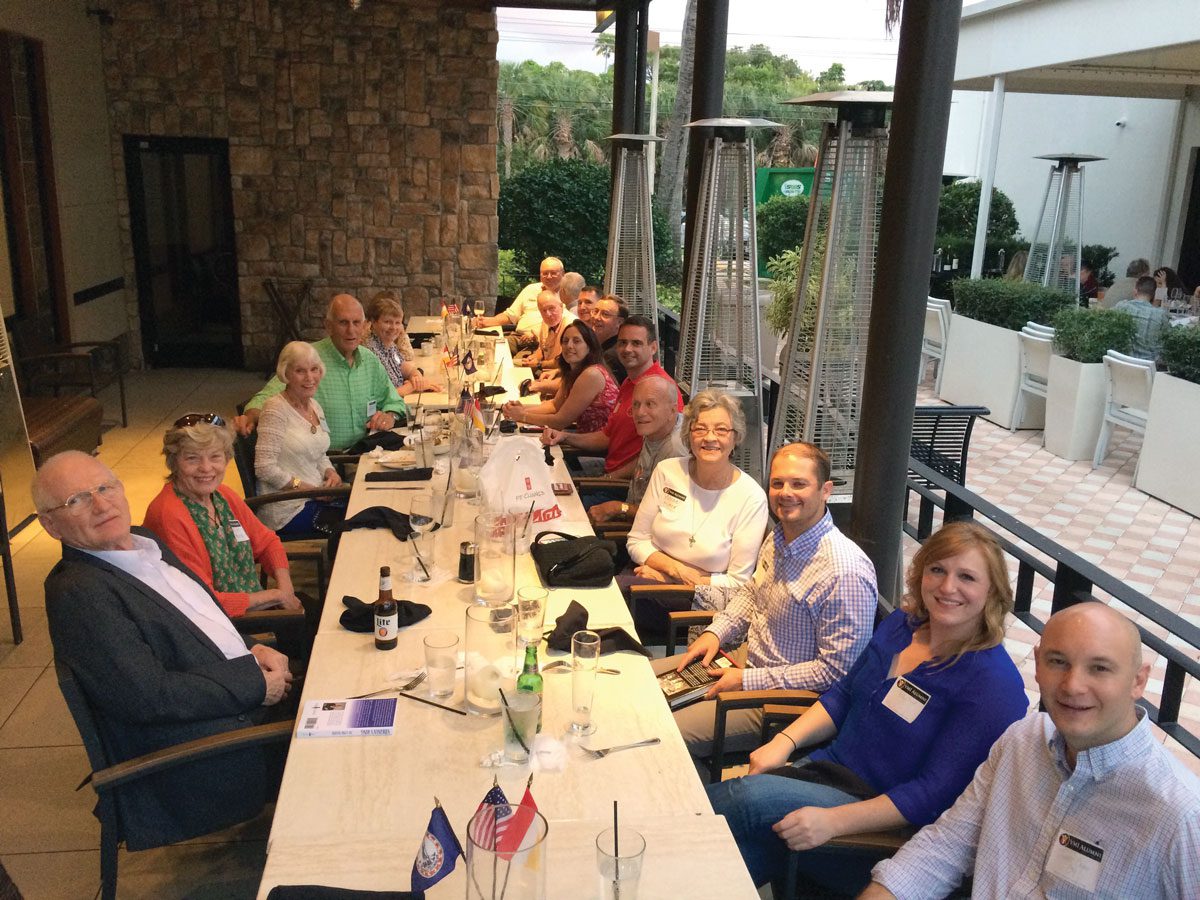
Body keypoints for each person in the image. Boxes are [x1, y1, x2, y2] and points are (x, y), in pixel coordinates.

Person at [708, 520, 1028, 891]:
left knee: (746, 797)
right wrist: (785, 742)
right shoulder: (902, 626)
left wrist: (834, 822)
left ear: (993, 592)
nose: (947, 586)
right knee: (734, 854)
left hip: (880, 822)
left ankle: (651, 825)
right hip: (825, 770)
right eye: (937, 569)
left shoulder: (992, 684)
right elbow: (843, 694)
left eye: (967, 577)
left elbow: (930, 796)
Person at [37, 451, 292, 850]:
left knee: (367, 681)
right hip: (204, 754)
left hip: (235, 697)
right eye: (77, 500)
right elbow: (148, 697)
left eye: (104, 488)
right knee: (360, 735)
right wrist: (254, 683)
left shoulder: (146, 541)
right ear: (50, 525)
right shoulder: (80, 593)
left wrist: (253, 649)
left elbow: (200, 618)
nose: (101, 504)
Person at [864, 602, 1200, 900]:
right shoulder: (1022, 741)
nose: (1072, 685)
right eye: (1058, 661)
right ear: (1037, 664)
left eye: (1099, 668)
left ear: (1138, 681)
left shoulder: (1180, 816)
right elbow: (948, 845)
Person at [650, 442, 877, 765]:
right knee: (640, 685)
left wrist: (746, 681)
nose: (786, 493)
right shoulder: (781, 535)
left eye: (799, 484)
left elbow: (837, 674)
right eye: (777, 483)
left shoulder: (844, 571)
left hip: (783, 704)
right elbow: (751, 593)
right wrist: (716, 633)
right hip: (743, 663)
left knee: (660, 732)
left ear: (825, 490)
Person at [624, 388, 770, 636]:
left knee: (613, 598)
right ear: (688, 435)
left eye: (721, 430)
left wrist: (671, 580)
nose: (710, 437)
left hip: (696, 603)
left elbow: (738, 582)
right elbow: (637, 540)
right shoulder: (667, 471)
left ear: (735, 438)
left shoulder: (751, 497)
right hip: (646, 576)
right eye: (700, 429)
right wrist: (676, 570)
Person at [143, 414, 301, 618]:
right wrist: (274, 596)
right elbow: (202, 599)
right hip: (219, 626)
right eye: (192, 458)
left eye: (215, 456)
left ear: (226, 458)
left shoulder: (222, 496)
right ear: (174, 462)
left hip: (255, 608)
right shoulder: (168, 514)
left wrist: (285, 589)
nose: (206, 468)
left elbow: (267, 542)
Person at [234, 294, 406, 450]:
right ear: (328, 326)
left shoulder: (369, 360)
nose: (351, 331)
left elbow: (395, 401)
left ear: (364, 326)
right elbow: (266, 397)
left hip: (366, 451)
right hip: (323, 461)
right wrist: (250, 416)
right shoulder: (308, 358)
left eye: (356, 323)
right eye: (343, 323)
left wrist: (389, 415)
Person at [542, 315, 683, 483]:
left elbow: (654, 455)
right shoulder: (629, 382)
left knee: (550, 487)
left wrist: (606, 479)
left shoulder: (663, 389)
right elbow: (606, 437)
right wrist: (564, 436)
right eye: (622, 343)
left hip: (621, 485)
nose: (627, 349)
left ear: (653, 348)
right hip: (607, 468)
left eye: (636, 343)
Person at [253, 341, 345, 533]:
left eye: (314, 369)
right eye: (300, 371)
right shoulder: (275, 409)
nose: (310, 377)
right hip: (286, 509)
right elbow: (264, 468)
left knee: (366, 506)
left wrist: (331, 473)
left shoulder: (315, 406)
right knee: (354, 524)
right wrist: (308, 489)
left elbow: (320, 454)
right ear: (286, 374)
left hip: (317, 496)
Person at [586, 375, 687, 525]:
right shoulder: (656, 428)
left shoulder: (675, 451)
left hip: (644, 533)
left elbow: (666, 516)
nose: (640, 412)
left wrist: (618, 508)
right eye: (636, 404)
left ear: (672, 410)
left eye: (650, 404)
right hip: (631, 511)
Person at [501, 319, 618, 433]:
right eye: (565, 341)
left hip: (596, 448)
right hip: (582, 437)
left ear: (590, 346)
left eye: (576, 341)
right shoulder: (573, 371)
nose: (569, 346)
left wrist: (522, 416)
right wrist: (521, 409)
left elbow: (560, 421)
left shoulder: (592, 374)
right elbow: (554, 406)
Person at [473, 256, 564, 350]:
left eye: (553, 273)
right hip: (517, 337)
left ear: (563, 274)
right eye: (545, 273)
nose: (548, 276)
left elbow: (563, 327)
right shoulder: (531, 289)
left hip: (539, 342)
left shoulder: (567, 295)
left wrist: (536, 335)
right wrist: (486, 321)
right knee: (480, 344)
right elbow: (510, 315)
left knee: (494, 349)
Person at [363, 291, 427, 396]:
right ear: (374, 322)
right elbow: (382, 396)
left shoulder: (389, 345)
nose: (393, 328)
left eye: (397, 323)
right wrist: (412, 386)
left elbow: (405, 367)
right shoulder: (371, 351)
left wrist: (416, 376)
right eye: (387, 322)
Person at [515, 289, 576, 380]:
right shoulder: (546, 322)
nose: (548, 314)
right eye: (543, 310)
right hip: (544, 370)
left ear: (561, 307)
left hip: (562, 375)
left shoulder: (571, 326)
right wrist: (533, 358)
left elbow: (565, 360)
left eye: (551, 308)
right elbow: (542, 349)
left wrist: (539, 364)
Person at [1114, 275, 1171, 362]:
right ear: (1154, 295)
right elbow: (1167, 340)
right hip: (1149, 365)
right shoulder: (1160, 314)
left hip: (1121, 361)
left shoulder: (1121, 306)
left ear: (1135, 291)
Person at [592, 294, 629, 382]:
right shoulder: (597, 346)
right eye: (595, 311)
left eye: (605, 314)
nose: (596, 317)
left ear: (619, 322)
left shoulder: (611, 356)